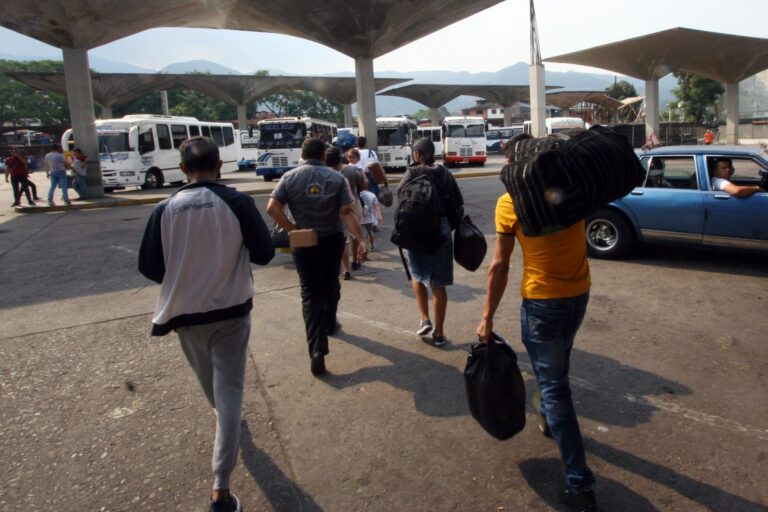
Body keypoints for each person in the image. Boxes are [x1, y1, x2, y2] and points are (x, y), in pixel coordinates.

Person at [138, 136, 274, 512]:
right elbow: (263, 253)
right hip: (231, 312)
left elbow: (150, 267)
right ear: (219, 166)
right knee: (229, 393)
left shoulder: (164, 209)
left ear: (182, 169)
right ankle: (220, 490)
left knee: (214, 391)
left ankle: (225, 440)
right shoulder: (238, 202)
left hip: (184, 314)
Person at [476, 138, 596, 512]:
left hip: (543, 303)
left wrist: (486, 317)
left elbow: (499, 266)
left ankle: (579, 484)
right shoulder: (573, 190)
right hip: (579, 293)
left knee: (556, 386)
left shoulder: (511, 203)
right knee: (558, 371)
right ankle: (547, 414)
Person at [266, 137, 367, 376]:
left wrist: (293, 230)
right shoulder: (336, 178)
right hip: (331, 240)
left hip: (304, 241)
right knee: (331, 284)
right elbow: (346, 212)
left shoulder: (289, 177)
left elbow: (272, 208)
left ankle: (317, 350)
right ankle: (330, 323)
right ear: (323, 154)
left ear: (303, 153)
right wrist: (360, 240)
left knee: (310, 294)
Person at [397, 138, 463, 347]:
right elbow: (458, 201)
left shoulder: (412, 172)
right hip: (441, 229)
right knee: (438, 282)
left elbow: (400, 195)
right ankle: (439, 333)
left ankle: (424, 318)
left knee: (417, 275)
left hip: (416, 231)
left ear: (417, 153)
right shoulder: (445, 173)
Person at [326, 146, 365, 280]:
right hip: (353, 204)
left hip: (335, 209)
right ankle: (355, 260)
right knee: (354, 234)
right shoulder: (352, 170)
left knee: (343, 239)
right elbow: (364, 184)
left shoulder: (324, 174)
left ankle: (346, 269)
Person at [355, 136, 387, 200]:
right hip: (370, 176)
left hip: (358, 176)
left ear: (356, 143)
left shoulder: (354, 152)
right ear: (365, 143)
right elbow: (378, 165)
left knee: (361, 198)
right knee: (373, 198)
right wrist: (385, 180)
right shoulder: (371, 152)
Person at [359, 181, 383, 251]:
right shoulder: (372, 195)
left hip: (360, 218)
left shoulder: (358, 195)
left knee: (362, 235)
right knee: (370, 232)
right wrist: (379, 215)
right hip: (369, 218)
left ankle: (364, 248)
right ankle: (372, 246)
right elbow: (376, 206)